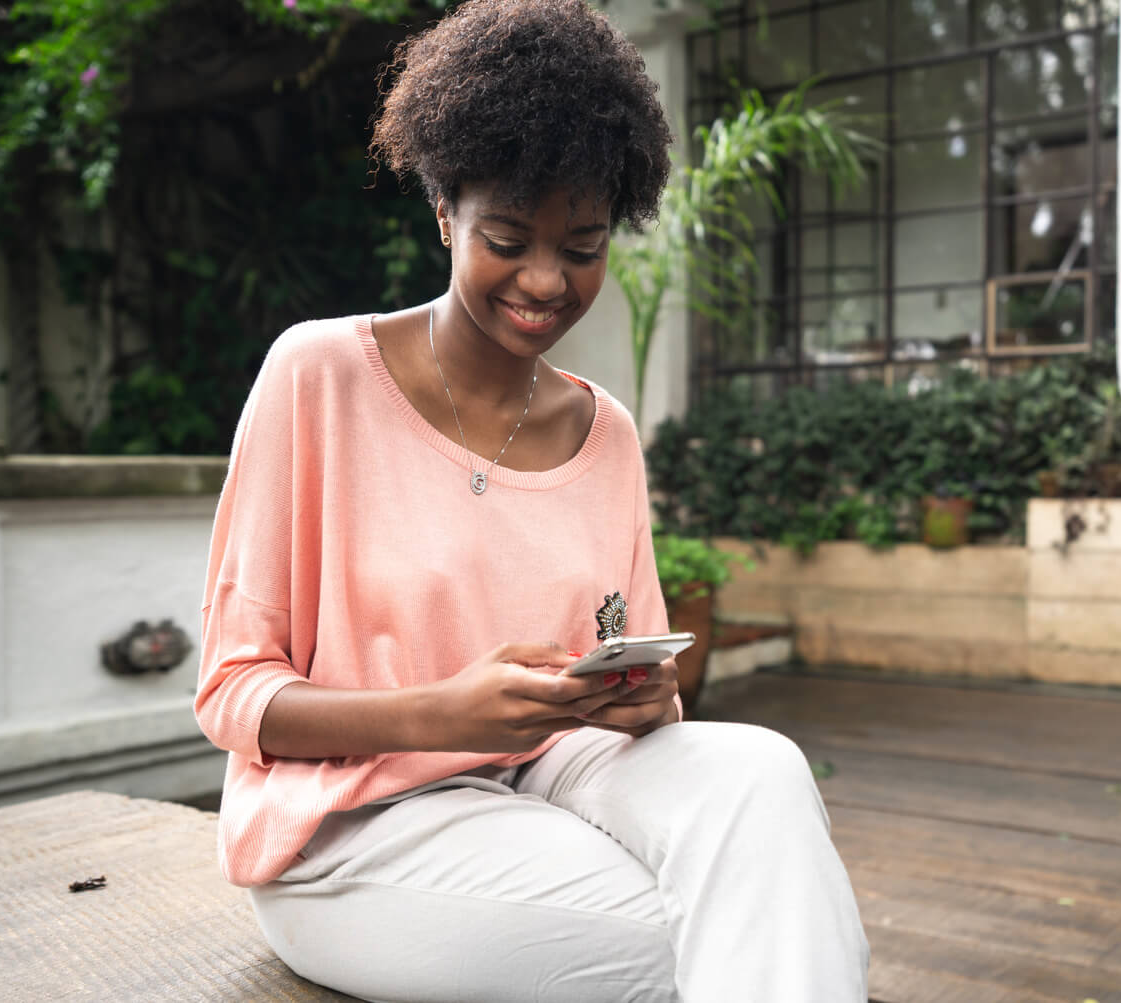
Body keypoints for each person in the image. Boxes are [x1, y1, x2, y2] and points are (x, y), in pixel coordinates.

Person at [194, 1, 868, 999]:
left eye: (584, 245)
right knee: (751, 927)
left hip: (557, 782)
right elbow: (232, 694)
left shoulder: (607, 434)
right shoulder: (320, 377)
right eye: (507, 237)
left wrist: (644, 697)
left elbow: (638, 678)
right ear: (442, 209)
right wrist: (444, 712)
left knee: (761, 773)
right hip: (350, 827)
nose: (545, 280)